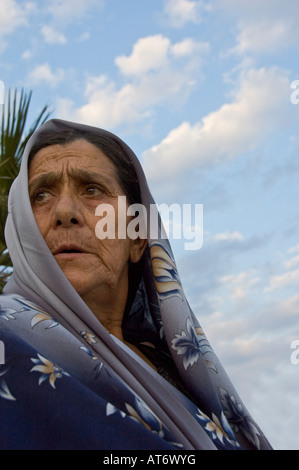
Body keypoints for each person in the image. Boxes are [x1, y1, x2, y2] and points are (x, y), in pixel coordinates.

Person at [0, 119, 272, 450]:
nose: (65, 211)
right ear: (22, 232)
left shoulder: (177, 370)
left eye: (92, 190)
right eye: (41, 194)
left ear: (138, 240)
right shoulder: (8, 339)